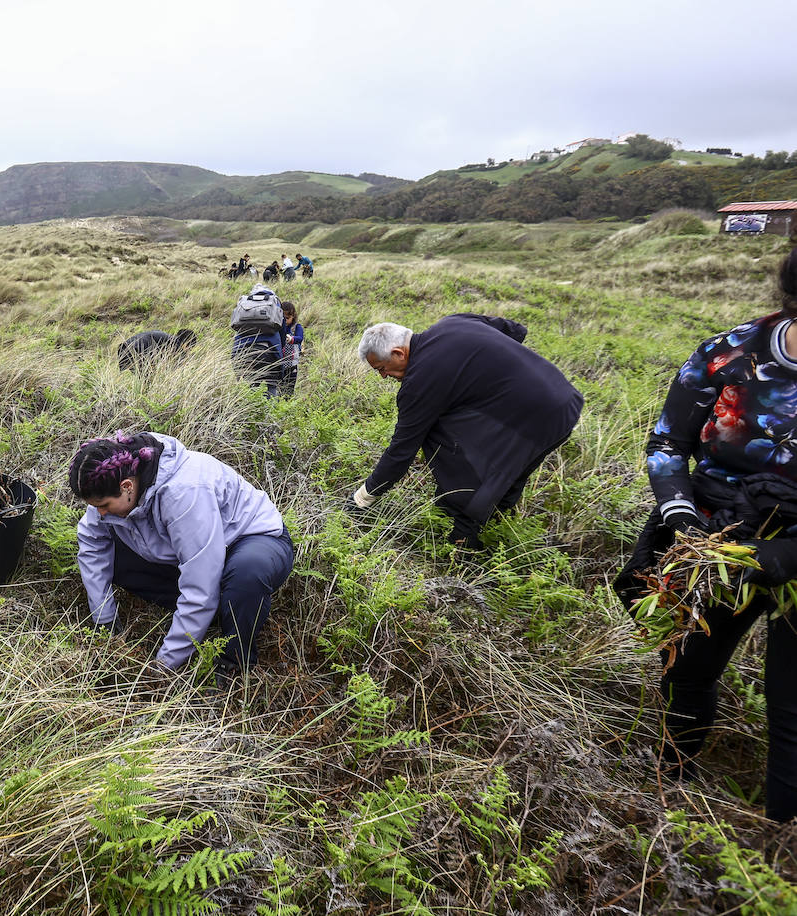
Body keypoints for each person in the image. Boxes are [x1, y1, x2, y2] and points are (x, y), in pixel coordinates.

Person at [615, 251, 797, 823]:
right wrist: (682, 519)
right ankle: (671, 797)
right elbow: (669, 442)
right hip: (718, 537)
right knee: (687, 669)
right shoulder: (730, 353)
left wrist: (784, 555)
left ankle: (777, 846)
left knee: (791, 706)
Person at [69, 432, 294, 682]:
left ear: (127, 487)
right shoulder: (111, 477)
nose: (99, 513)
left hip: (250, 541)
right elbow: (91, 544)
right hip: (189, 552)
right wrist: (105, 620)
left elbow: (200, 589)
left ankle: (233, 662)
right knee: (115, 560)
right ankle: (220, 609)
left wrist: (163, 666)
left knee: (247, 575)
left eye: (104, 506)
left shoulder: (184, 493)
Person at [352, 315, 583, 549]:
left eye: (381, 369)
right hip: (566, 401)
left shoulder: (419, 382)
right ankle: (493, 526)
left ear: (399, 353)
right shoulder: (452, 323)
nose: (383, 376)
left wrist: (363, 497)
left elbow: (402, 450)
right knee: (513, 470)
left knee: (440, 434)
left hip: (534, 417)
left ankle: (462, 541)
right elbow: (515, 330)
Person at [116, 328, 197, 371]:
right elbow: (177, 366)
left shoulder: (165, 337)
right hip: (137, 350)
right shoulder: (175, 343)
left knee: (143, 380)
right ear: (186, 342)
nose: (188, 351)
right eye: (189, 348)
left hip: (124, 348)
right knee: (148, 380)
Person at [278, 303, 304, 397]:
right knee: (278, 388)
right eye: (283, 318)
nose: (285, 320)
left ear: (293, 317)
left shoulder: (297, 327)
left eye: (287, 318)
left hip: (292, 364)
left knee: (289, 389)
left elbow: (300, 338)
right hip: (279, 364)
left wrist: (292, 339)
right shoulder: (278, 327)